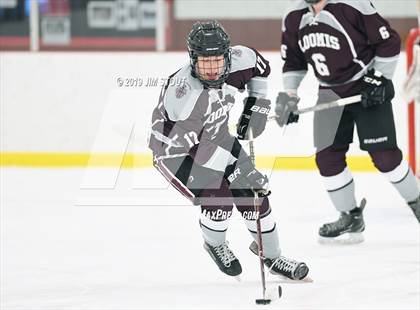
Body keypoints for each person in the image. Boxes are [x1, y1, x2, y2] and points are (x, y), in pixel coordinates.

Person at [148, 21, 309, 280]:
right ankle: (215, 243)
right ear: (192, 59)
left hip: (216, 136)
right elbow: (196, 149)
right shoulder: (183, 93)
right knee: (219, 197)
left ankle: (274, 256)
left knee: (253, 196)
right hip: (175, 152)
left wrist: (257, 103)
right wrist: (242, 167)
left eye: (217, 61)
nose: (212, 70)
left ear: (227, 56)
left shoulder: (239, 58)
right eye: (204, 62)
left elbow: (260, 67)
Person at [275, 0, 420, 243]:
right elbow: (294, 62)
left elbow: (388, 41)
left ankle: (417, 202)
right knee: (327, 158)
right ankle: (350, 216)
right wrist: (289, 96)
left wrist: (380, 78)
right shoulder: (293, 16)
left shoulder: (353, 5)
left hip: (366, 88)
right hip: (329, 93)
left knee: (385, 157)